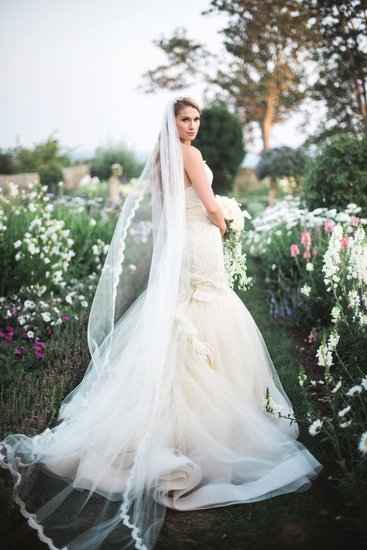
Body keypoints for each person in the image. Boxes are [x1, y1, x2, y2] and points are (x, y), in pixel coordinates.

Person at [0, 97, 322, 550]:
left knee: (193, 310)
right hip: (201, 241)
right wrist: (226, 220)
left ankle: (188, 412)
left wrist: (216, 216)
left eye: (195, 120)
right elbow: (209, 204)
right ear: (173, 126)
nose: (192, 127)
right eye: (185, 120)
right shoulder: (187, 154)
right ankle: (211, 422)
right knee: (208, 307)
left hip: (186, 245)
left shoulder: (165, 157)